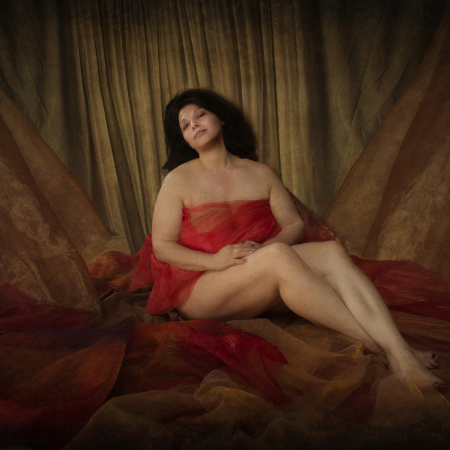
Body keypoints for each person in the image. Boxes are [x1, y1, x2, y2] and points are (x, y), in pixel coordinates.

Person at [149, 88, 443, 388]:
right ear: (184, 139)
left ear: (221, 118)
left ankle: (399, 350)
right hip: (201, 287)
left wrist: (264, 250)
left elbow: (293, 224)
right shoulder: (178, 179)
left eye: (200, 115)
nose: (194, 124)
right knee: (279, 256)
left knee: (330, 251)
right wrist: (214, 260)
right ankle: (388, 351)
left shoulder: (261, 173)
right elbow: (162, 246)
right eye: (185, 125)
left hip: (251, 269)